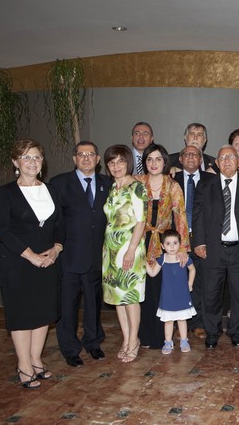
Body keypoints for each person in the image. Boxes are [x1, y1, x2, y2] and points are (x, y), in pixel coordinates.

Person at [0, 139, 64, 388]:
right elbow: (2, 229)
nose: (32, 162)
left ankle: (36, 360)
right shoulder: (6, 193)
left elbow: (60, 225)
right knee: (22, 315)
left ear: (42, 162)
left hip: (47, 264)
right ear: (16, 162)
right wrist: (31, 255)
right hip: (18, 264)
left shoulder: (51, 190)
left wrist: (56, 249)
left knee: (43, 313)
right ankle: (23, 365)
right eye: (26, 157)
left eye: (37, 157)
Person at [192, 145, 239, 348]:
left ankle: (236, 332)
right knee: (211, 294)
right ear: (216, 163)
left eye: (231, 157)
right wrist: (199, 242)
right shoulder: (205, 185)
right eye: (222, 158)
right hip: (212, 249)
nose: (227, 161)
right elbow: (197, 216)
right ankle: (212, 332)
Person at [49, 141, 112, 368]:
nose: (86, 158)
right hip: (69, 256)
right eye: (81, 154)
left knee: (94, 304)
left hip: (96, 256)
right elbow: (54, 220)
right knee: (68, 306)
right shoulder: (59, 183)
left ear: (97, 159)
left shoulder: (108, 183)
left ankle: (93, 342)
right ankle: (70, 349)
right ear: (74, 159)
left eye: (90, 154)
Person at [137, 143, 190, 349]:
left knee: (161, 289)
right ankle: (143, 335)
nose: (154, 163)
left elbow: (181, 217)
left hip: (166, 245)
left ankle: (162, 337)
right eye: (149, 159)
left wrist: (183, 248)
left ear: (165, 162)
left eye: (158, 159)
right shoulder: (137, 183)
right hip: (140, 240)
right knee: (143, 289)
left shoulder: (173, 186)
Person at [102, 144, 148, 363]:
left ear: (128, 162)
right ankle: (126, 338)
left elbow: (141, 222)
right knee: (117, 297)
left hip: (130, 249)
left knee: (130, 296)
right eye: (111, 162)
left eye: (120, 161)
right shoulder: (113, 188)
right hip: (110, 251)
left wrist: (130, 251)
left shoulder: (137, 187)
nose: (116, 166)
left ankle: (133, 341)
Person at [173, 145, 215, 339]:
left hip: (203, 238)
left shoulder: (212, 180)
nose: (191, 157)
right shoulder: (172, 180)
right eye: (187, 154)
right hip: (176, 240)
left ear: (201, 160)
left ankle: (198, 322)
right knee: (177, 283)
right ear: (180, 159)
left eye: (195, 155)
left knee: (200, 282)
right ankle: (178, 322)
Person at [146, 229, 197, 354]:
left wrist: (190, 284)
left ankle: (184, 341)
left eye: (175, 243)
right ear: (162, 246)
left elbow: (192, 269)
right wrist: (143, 262)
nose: (172, 246)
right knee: (168, 320)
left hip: (181, 295)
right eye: (168, 243)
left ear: (180, 244)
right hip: (167, 296)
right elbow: (152, 273)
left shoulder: (184, 258)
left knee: (181, 319)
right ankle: (168, 342)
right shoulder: (162, 259)